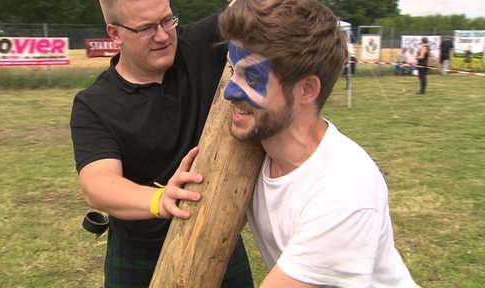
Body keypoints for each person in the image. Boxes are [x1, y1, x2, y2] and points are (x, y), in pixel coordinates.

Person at [217, 0, 420, 287]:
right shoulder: (256, 152)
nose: (230, 92)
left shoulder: (345, 192)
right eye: (232, 72)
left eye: (251, 77)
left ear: (307, 89)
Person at [69, 0, 254, 287]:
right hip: (139, 250)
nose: (163, 36)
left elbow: (254, 6)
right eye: (146, 28)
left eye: (167, 21)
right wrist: (161, 199)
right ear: (115, 34)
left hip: (215, 233)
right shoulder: (94, 104)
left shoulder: (199, 44)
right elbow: (97, 185)